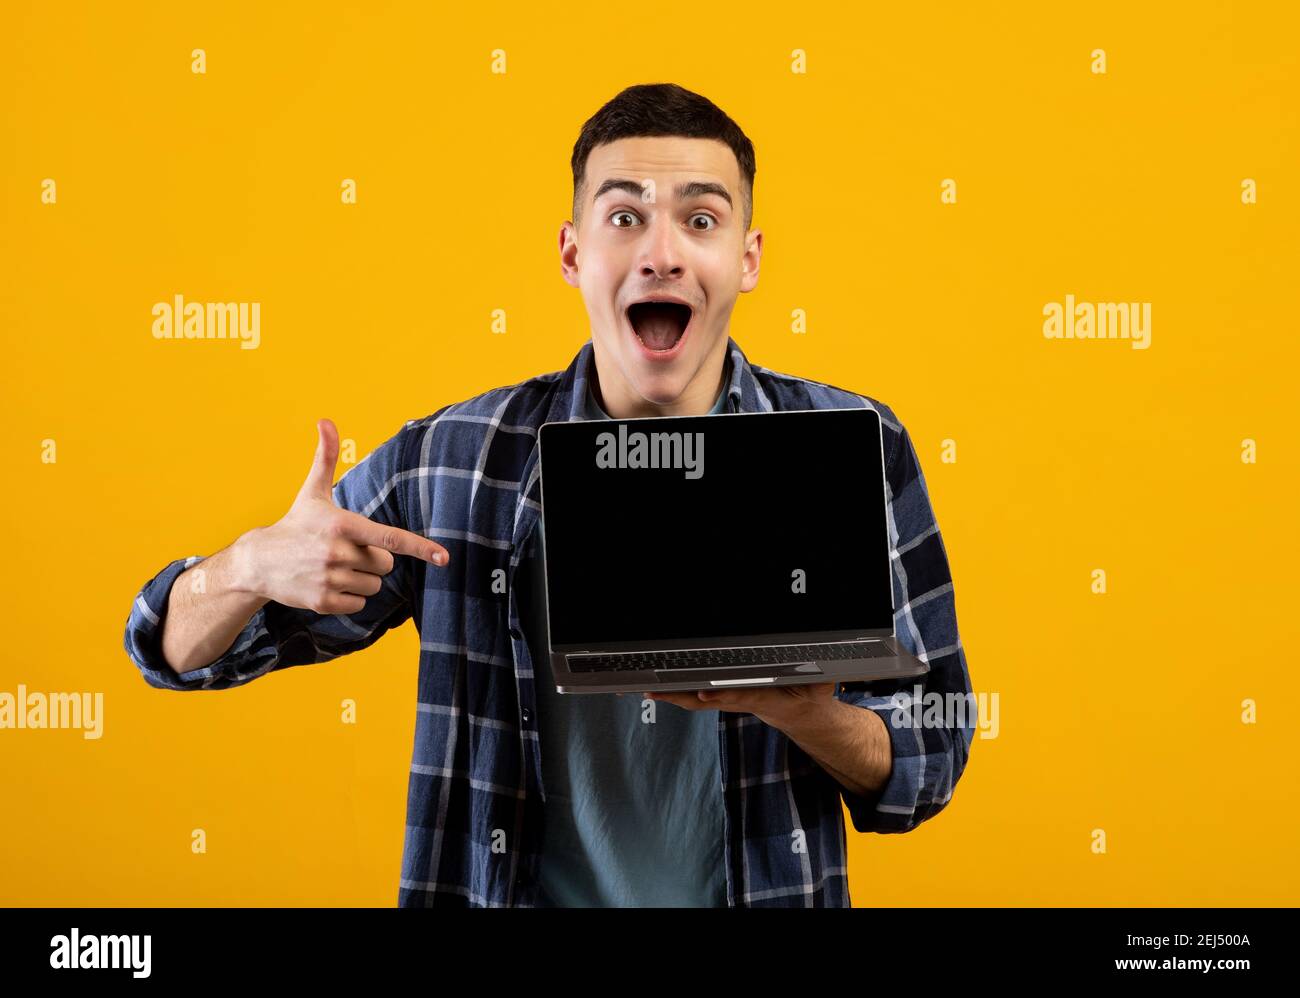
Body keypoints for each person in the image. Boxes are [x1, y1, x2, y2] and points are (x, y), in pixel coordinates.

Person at [123, 82, 975, 908]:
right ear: (573, 253)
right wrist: (242, 569)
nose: (663, 251)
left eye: (702, 219)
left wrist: (805, 713)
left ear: (746, 259)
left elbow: (930, 757)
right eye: (625, 216)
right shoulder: (452, 464)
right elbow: (174, 654)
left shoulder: (852, 451)